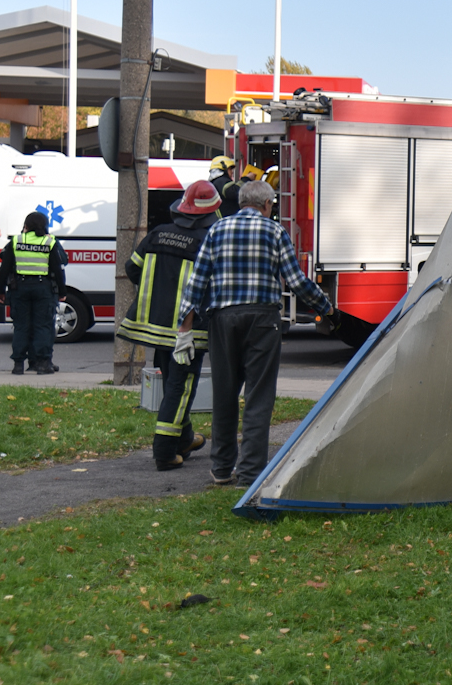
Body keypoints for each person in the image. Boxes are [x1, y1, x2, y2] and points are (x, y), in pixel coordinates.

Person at [178, 180, 334, 486]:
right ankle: (250, 472)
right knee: (258, 396)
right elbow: (295, 280)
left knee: (224, 394)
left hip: (222, 319)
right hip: (263, 320)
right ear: (267, 204)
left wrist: (184, 327)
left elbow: (197, 281)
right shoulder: (275, 232)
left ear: (240, 203)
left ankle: (222, 468)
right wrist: (325, 307)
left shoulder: (217, 230)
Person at [119, 180, 221, 471]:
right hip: (187, 329)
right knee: (181, 386)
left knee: (172, 384)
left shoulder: (158, 233)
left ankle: (184, 439)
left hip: (154, 326)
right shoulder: (208, 241)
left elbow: (132, 268)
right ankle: (164, 452)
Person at [0, 210, 68, 374]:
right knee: (43, 326)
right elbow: (58, 269)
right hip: (43, 288)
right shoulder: (49, 242)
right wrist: (62, 291)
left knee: (21, 326)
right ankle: (42, 363)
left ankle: (18, 364)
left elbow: (4, 269)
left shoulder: (16, 241)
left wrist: (0, 290)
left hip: (20, 287)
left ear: (26, 225)